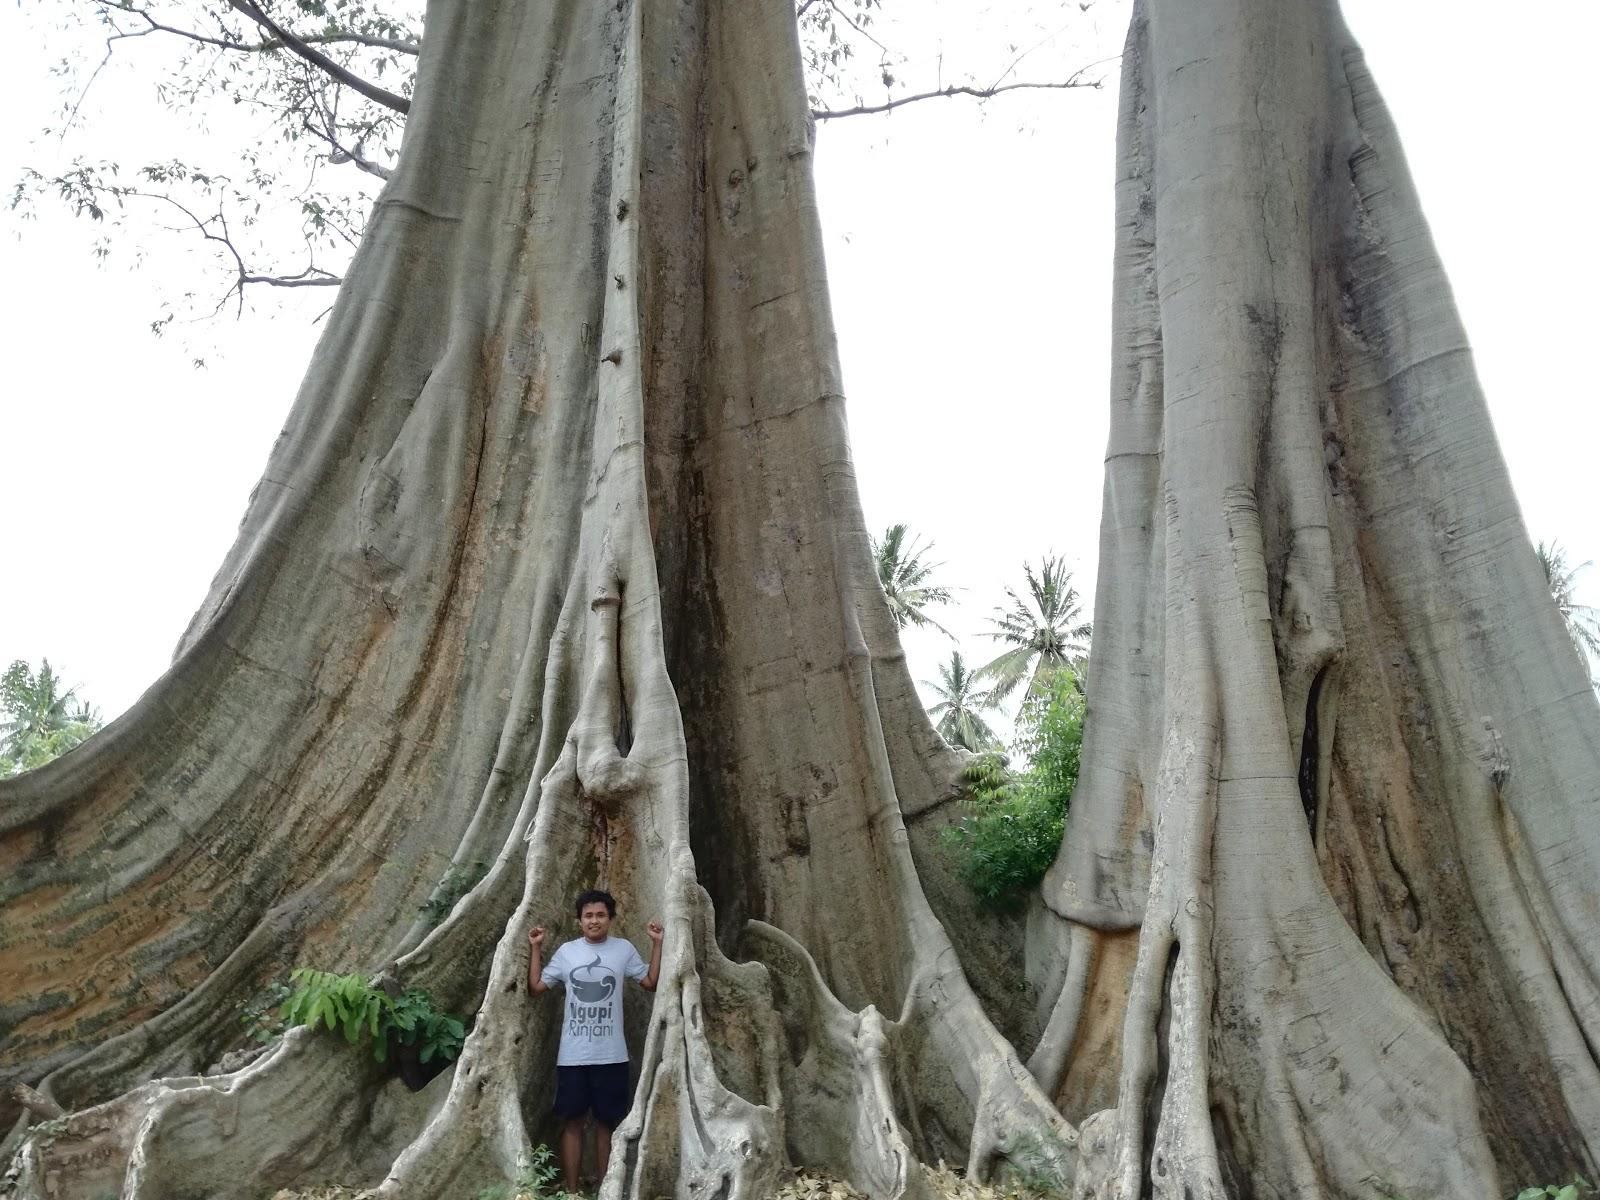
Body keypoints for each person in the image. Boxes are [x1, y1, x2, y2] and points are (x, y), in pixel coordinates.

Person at [528, 890, 663, 1194]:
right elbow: (536, 987)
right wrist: (536, 948)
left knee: (607, 1125)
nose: (594, 921)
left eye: (601, 915)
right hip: (573, 1056)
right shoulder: (566, 953)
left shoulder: (623, 950)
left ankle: (606, 1189)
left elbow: (651, 983)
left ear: (611, 919)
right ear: (579, 921)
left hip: (612, 1055)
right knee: (573, 1123)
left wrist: (657, 944)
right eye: (588, 915)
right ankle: (573, 1190)